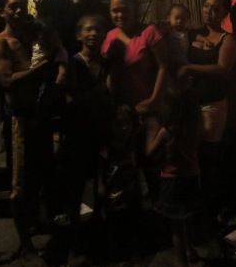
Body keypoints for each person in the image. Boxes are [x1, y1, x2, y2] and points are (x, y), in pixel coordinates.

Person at [0, 0, 54, 263]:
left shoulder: (30, 37)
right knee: (19, 184)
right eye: (13, 6)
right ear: (2, 11)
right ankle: (25, 244)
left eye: (22, 5)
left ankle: (37, 225)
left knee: (39, 175)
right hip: (18, 119)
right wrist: (40, 69)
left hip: (37, 115)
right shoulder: (0, 43)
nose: (18, 11)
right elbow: (7, 81)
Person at [101, 0, 168, 201]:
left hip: (149, 110)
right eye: (115, 10)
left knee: (152, 162)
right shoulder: (110, 36)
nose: (120, 14)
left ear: (134, 9)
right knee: (127, 167)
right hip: (123, 113)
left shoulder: (149, 32)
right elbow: (107, 71)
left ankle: (159, 211)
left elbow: (164, 67)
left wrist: (154, 99)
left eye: (125, 9)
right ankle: (134, 211)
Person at [177, 0, 236, 204]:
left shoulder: (227, 39)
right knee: (189, 152)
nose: (209, 11)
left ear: (224, 14)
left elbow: (222, 69)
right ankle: (193, 199)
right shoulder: (193, 33)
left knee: (209, 154)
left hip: (212, 105)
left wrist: (190, 68)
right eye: (206, 6)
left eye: (215, 8)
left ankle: (211, 202)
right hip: (190, 103)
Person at [62, 14, 111, 264]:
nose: (94, 33)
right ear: (79, 35)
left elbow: (111, 95)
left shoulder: (106, 63)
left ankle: (98, 231)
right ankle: (75, 238)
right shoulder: (72, 63)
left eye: (98, 29)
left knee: (103, 183)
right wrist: (98, 92)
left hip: (102, 130)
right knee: (77, 187)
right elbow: (70, 98)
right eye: (89, 29)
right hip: (78, 134)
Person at [146, 87, 204, 267]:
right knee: (187, 216)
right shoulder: (195, 127)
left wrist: (150, 131)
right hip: (193, 177)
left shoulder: (167, 131)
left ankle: (181, 262)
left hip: (173, 181)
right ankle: (190, 251)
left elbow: (150, 152)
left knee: (176, 226)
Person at [97, 104, 143, 261]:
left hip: (131, 190)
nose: (124, 128)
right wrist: (101, 185)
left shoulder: (133, 141)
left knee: (132, 219)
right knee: (115, 222)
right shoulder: (107, 146)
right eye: (119, 124)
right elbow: (100, 165)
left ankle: (133, 249)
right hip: (113, 192)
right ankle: (116, 251)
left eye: (127, 123)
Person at [163, 4, 191, 76]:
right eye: (176, 18)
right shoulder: (168, 31)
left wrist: (204, 39)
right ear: (169, 18)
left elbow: (197, 36)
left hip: (183, 61)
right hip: (170, 61)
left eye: (183, 19)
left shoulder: (187, 32)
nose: (179, 21)